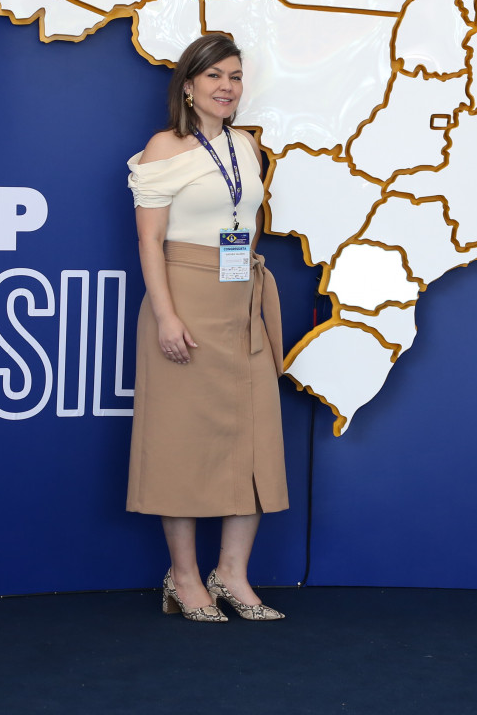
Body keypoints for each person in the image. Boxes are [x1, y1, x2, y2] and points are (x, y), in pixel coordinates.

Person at [125, 33, 288, 622]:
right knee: (182, 443)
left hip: (240, 303)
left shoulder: (245, 146)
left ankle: (233, 576)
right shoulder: (163, 147)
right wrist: (166, 315)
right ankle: (184, 578)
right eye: (215, 75)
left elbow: (244, 222)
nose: (227, 86)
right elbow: (149, 240)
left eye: (235, 76)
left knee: (254, 440)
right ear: (189, 85)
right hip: (185, 301)